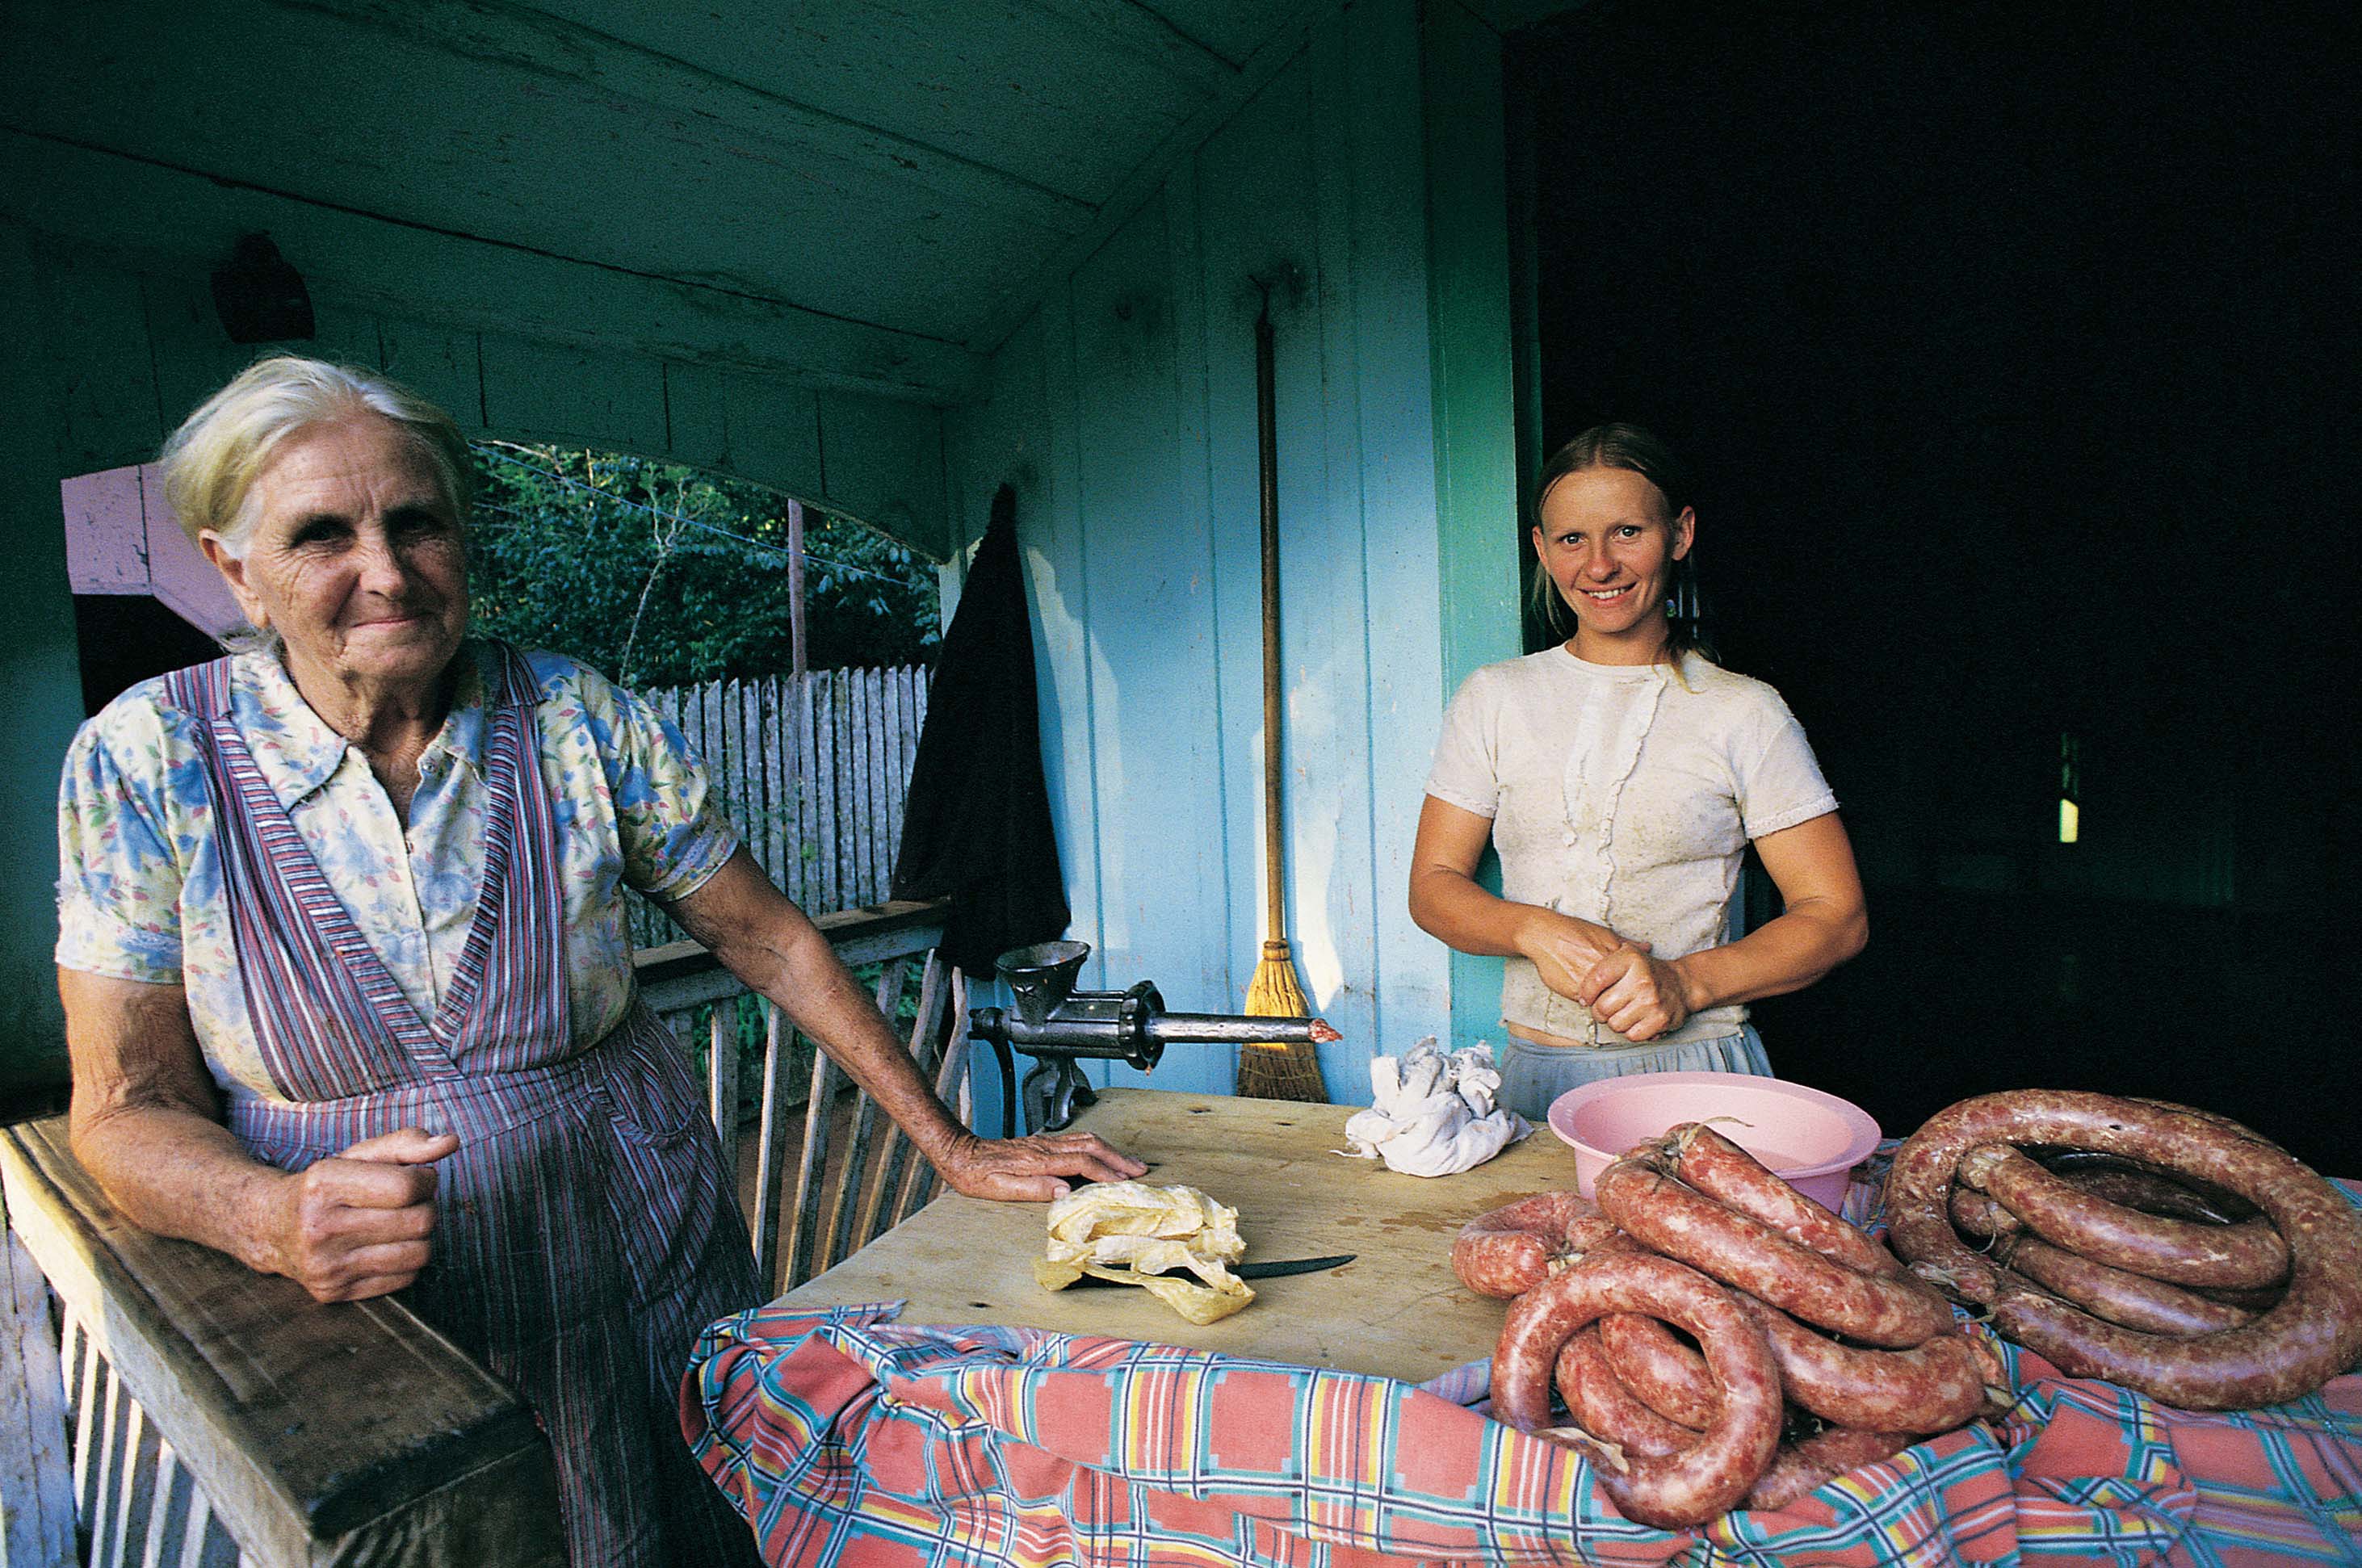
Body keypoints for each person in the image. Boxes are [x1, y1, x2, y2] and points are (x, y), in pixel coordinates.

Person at [53, 354, 1144, 1567]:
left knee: (691, 1515)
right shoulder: (146, 759)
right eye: (323, 534)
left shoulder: (572, 715)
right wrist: (269, 1215)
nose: (387, 570)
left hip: (632, 1219)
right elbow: (124, 1105)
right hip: (365, 1291)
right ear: (234, 568)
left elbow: (765, 933)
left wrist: (950, 1142)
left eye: (418, 522)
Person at [1408, 422, 1867, 1121]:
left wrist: (1685, 982)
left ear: (1679, 535)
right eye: (1571, 540)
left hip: (1699, 1077)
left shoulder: (1742, 711)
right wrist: (1527, 928)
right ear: (1541, 548)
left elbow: (1837, 918)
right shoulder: (1494, 697)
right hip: (1535, 1074)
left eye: (1626, 532)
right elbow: (1433, 888)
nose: (1598, 566)